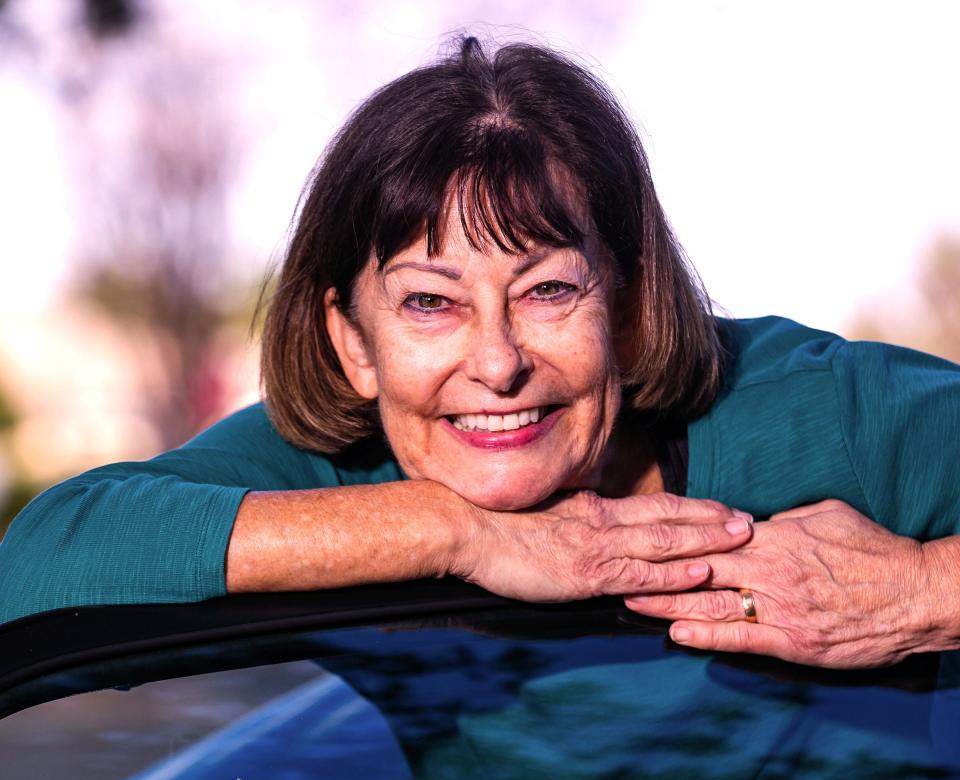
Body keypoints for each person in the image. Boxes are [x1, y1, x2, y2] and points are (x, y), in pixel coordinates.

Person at [1, 36, 958, 669]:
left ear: (625, 307)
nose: (496, 364)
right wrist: (455, 533)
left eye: (547, 291)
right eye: (429, 303)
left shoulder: (823, 412)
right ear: (352, 344)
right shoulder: (352, 469)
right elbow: (44, 561)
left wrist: (918, 593)